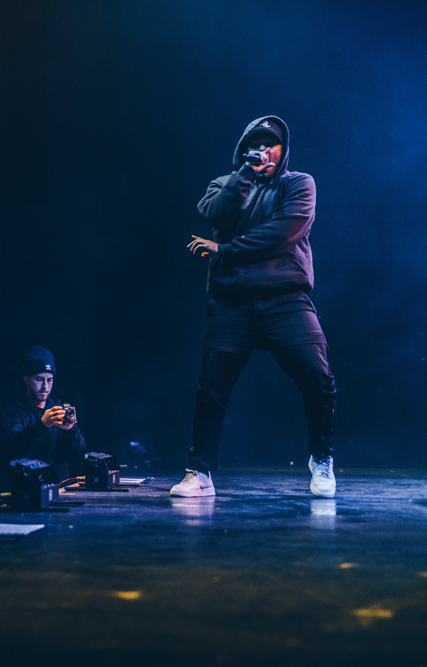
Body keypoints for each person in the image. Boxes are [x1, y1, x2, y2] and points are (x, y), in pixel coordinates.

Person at [179, 116, 337, 499]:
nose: (263, 150)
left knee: (318, 378)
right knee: (211, 388)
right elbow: (215, 213)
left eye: (271, 144)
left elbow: (282, 234)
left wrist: (226, 249)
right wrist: (244, 176)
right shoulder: (225, 184)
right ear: (243, 149)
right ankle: (200, 473)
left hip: (286, 300)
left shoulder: (298, 183)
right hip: (231, 303)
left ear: (284, 150)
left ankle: (322, 459)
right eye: (256, 144)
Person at [1, 346, 85, 482]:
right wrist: (41, 425)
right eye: (39, 379)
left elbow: (78, 456)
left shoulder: (59, 410)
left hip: (59, 485)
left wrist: (71, 430)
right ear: (26, 379)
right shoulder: (13, 412)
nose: (45, 386)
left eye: (49, 380)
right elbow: (12, 451)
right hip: (26, 485)